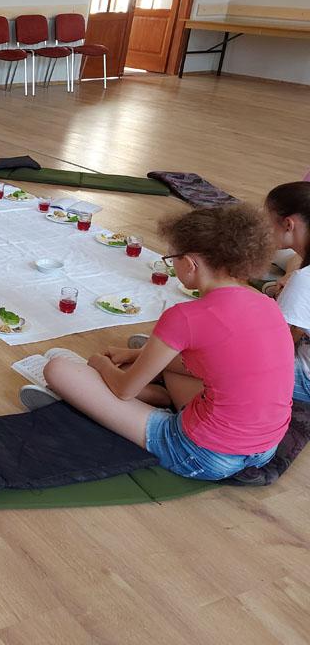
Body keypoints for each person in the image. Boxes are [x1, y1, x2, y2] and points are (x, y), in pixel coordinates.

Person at [21, 204, 293, 481]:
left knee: (58, 368)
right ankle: (157, 395)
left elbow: (124, 390)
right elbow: (222, 364)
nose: (171, 265)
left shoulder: (184, 316)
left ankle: (124, 400)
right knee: (178, 362)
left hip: (202, 454)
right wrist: (133, 354)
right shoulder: (266, 303)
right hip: (265, 448)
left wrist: (101, 364)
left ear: (190, 263)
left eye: (172, 258)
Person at [265, 182, 310, 403]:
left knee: (215, 358)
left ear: (288, 224)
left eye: (268, 221)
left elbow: (275, 348)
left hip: (305, 377)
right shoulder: (301, 275)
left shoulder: (303, 280)